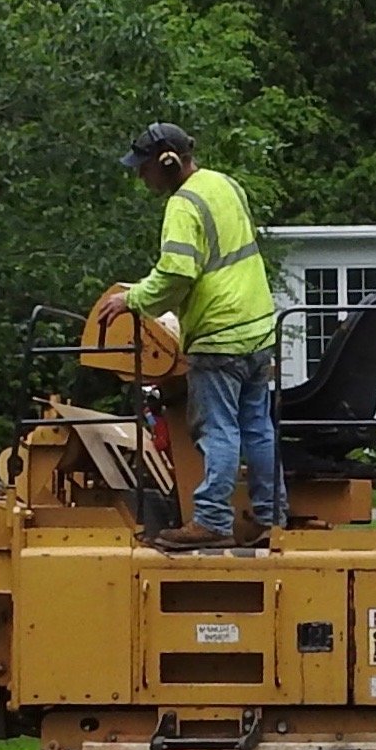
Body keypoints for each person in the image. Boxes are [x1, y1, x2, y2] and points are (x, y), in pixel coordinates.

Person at [109, 122, 285, 547]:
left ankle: (211, 522)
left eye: (144, 167)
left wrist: (132, 300)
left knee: (218, 430)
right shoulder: (226, 185)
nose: (140, 176)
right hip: (258, 328)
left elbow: (176, 272)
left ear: (167, 160)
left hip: (217, 334)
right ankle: (272, 518)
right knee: (258, 427)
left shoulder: (183, 205)